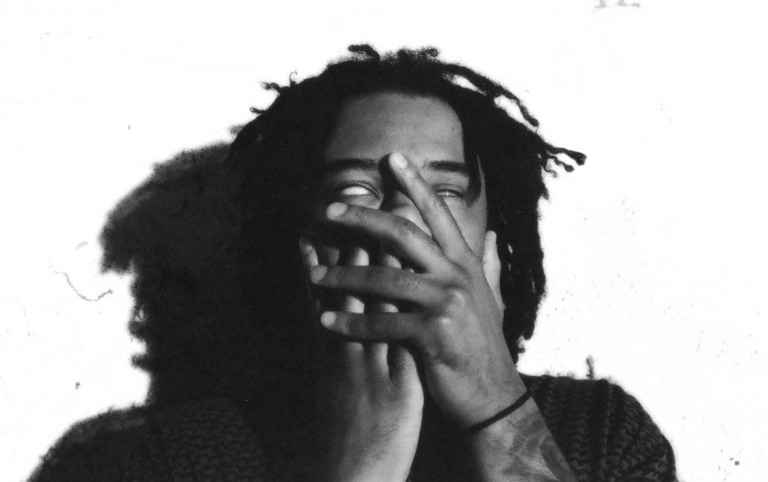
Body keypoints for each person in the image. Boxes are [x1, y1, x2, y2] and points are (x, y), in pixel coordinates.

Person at [29, 46, 676, 481]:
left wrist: (496, 403)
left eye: (444, 191)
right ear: (296, 237)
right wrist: (364, 463)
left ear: (494, 241)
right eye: (356, 189)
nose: (403, 220)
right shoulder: (177, 458)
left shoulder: (602, 434)